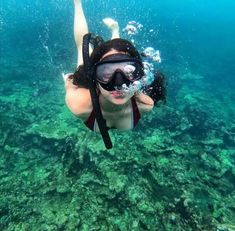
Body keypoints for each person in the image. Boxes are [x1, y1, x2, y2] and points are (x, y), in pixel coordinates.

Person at [63, 0, 166, 148]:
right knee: (82, 47)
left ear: (140, 75)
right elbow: (71, 84)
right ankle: (77, 3)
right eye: (106, 72)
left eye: (128, 72)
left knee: (117, 51)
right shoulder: (79, 104)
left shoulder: (145, 105)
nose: (119, 84)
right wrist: (69, 82)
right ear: (94, 75)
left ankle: (115, 31)